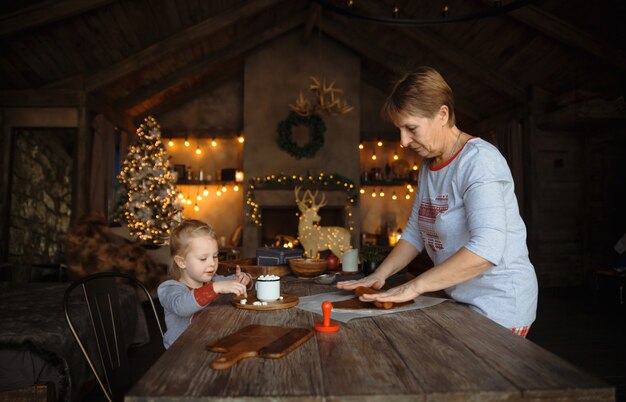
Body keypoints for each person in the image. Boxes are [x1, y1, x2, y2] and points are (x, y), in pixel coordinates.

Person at [338, 67, 538, 336]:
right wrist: (379, 275)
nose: (404, 141)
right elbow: (415, 232)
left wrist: (414, 286)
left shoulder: (480, 162)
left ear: (442, 115)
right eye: (400, 130)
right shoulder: (429, 165)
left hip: (500, 304)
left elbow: (487, 250)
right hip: (462, 299)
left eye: (411, 128)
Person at [158, 219, 252, 348]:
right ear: (181, 262)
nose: (212, 263)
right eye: (203, 258)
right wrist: (215, 288)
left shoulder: (214, 280)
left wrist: (244, 280)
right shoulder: (169, 289)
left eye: (215, 256)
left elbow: (234, 282)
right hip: (181, 353)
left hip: (211, 344)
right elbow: (181, 307)